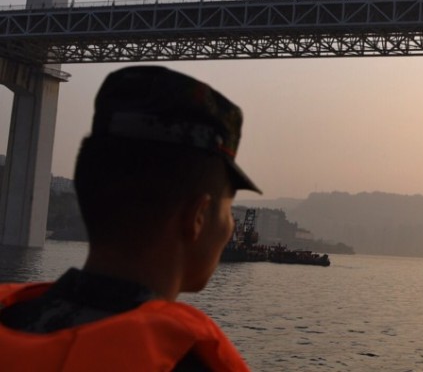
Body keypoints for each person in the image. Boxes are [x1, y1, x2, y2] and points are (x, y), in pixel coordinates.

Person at [0, 66, 259, 371]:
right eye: (228, 209)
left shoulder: (14, 318)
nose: (230, 228)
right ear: (198, 217)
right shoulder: (185, 363)